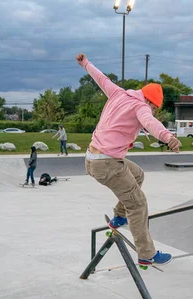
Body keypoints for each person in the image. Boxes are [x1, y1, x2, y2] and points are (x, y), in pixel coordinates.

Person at [76, 53, 180, 268]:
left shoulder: (118, 93)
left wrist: (86, 63)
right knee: (138, 204)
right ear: (150, 102)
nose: (152, 111)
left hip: (92, 159)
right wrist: (167, 137)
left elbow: (101, 78)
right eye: (154, 108)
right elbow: (150, 123)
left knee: (138, 174)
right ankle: (147, 254)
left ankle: (118, 217)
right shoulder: (141, 107)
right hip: (108, 164)